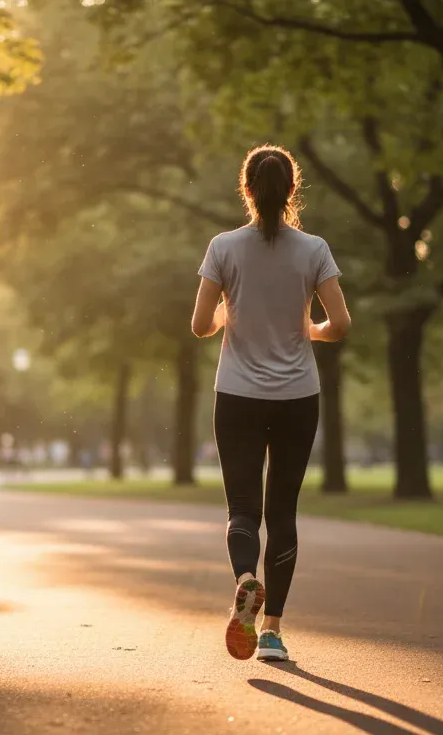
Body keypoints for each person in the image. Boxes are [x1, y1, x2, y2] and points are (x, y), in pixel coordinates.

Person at [191, 144, 351, 663]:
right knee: (283, 510)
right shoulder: (315, 250)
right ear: (291, 191)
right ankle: (274, 632)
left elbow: (199, 325)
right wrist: (312, 331)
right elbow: (342, 325)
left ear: (247, 189)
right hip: (296, 398)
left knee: (243, 508)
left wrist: (223, 318)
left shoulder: (223, 247)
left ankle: (244, 579)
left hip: (236, 394)